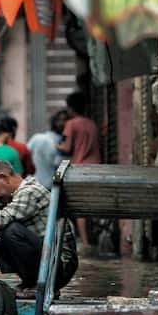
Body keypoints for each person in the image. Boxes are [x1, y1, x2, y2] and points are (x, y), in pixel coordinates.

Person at [0, 159, 78, 291]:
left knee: (10, 230)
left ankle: (38, 285)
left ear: (4, 178)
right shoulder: (10, 196)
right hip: (48, 262)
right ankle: (30, 281)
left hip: (59, 267)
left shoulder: (29, 191)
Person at [57, 92, 101, 249]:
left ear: (70, 108)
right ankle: (93, 238)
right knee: (93, 203)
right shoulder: (92, 123)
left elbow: (67, 148)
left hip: (80, 169)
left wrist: (57, 145)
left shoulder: (71, 124)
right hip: (97, 168)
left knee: (80, 206)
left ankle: (85, 242)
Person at [27, 110, 67, 189]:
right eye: (60, 120)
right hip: (51, 186)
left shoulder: (36, 138)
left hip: (34, 183)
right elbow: (59, 167)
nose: (62, 123)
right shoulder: (61, 144)